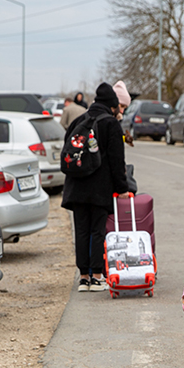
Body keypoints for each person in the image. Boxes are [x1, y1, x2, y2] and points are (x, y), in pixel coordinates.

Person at [61, 83, 130, 292]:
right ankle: (97, 277)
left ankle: (83, 278)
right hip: (100, 187)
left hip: (76, 185)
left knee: (81, 231)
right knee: (97, 231)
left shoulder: (79, 121)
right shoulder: (111, 123)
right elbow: (117, 161)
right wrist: (123, 188)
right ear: (112, 106)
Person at [113, 80, 134, 146]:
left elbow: (114, 138)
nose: (122, 111)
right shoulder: (104, 119)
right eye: (121, 106)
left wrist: (124, 138)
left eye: (125, 108)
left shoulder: (116, 119)